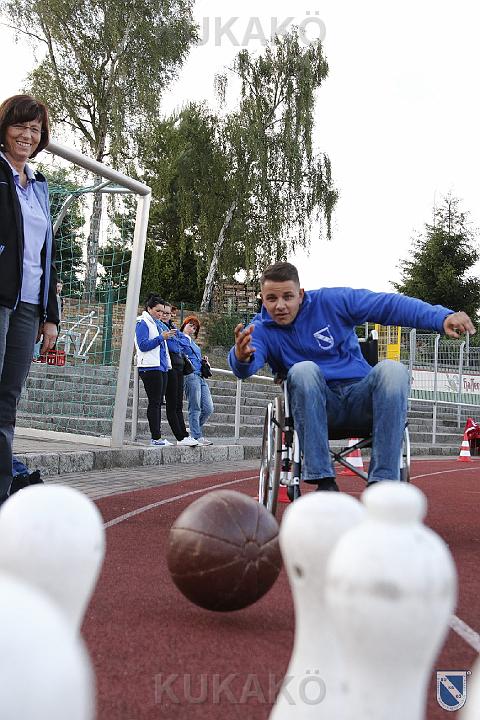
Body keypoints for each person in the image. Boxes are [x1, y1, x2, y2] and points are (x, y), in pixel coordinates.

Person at [229, 261, 475, 491]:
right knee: (303, 369)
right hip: (315, 405)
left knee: (394, 370)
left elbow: (387, 305)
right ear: (263, 298)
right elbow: (245, 366)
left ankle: (382, 483)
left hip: (360, 397)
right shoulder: (260, 329)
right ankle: (324, 482)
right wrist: (241, 357)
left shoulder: (332, 302)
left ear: (301, 294)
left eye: (288, 296)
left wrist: (441, 317)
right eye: (272, 298)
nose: (280, 306)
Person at [0, 94, 59, 505]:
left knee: (8, 402)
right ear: (4, 129)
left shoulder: (38, 186)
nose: (27, 135)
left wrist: (50, 315)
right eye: (20, 126)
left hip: (28, 306)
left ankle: (3, 492)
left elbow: (46, 255)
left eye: (35, 129)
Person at [134, 294, 174, 447]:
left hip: (161, 366)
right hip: (149, 367)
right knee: (155, 402)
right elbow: (143, 345)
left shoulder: (157, 324)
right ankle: (155, 437)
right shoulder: (142, 322)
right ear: (149, 309)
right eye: (158, 311)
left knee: (158, 402)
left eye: (162, 311)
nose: (160, 314)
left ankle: (157, 437)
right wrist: (161, 338)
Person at [161, 302, 198, 447]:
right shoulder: (160, 326)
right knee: (172, 403)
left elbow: (184, 344)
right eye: (163, 312)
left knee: (178, 404)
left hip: (179, 367)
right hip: (169, 367)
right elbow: (173, 346)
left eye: (168, 313)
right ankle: (180, 436)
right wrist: (176, 341)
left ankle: (184, 435)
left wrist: (176, 340)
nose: (165, 315)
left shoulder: (172, 327)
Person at [180, 315, 214, 446]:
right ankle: (196, 435)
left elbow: (195, 358)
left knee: (208, 408)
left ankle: (194, 430)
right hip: (190, 375)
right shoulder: (179, 338)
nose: (192, 329)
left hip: (200, 376)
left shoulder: (193, 343)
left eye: (195, 328)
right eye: (190, 325)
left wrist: (204, 362)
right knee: (195, 407)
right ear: (184, 325)